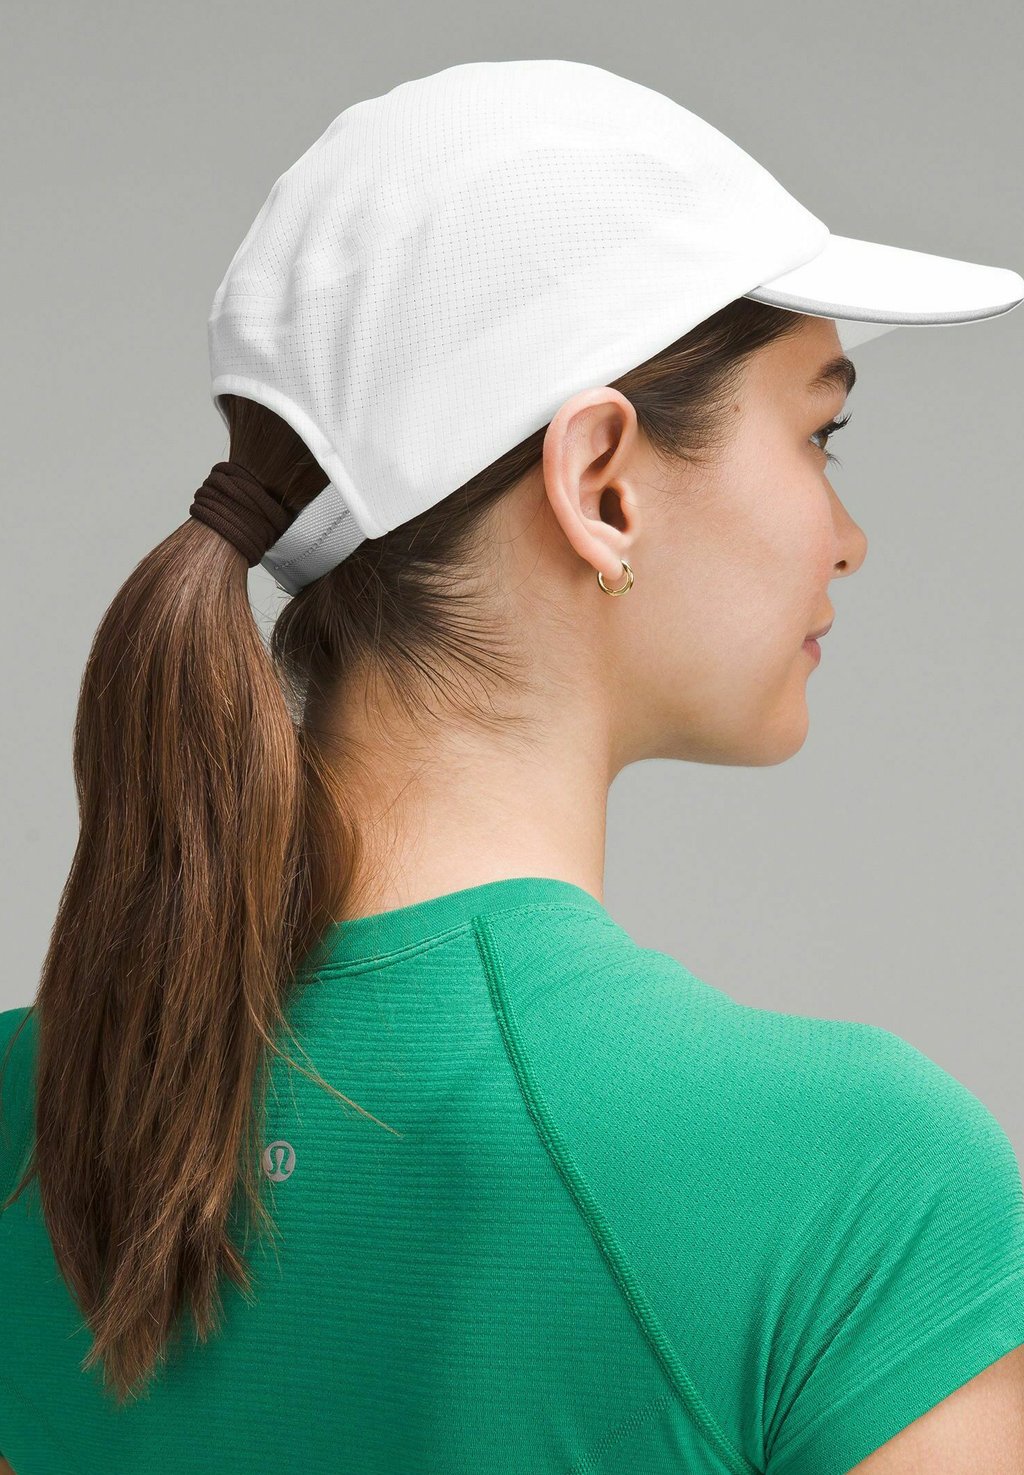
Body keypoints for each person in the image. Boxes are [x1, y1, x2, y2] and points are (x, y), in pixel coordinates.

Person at [2, 58, 1023, 1475]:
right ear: (602, 482)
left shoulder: (31, 1121)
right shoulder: (854, 1183)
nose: (847, 540)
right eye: (819, 433)